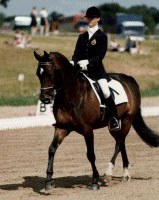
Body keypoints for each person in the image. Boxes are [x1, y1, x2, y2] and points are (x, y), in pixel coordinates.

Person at [70, 6, 120, 131]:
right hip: (82, 71)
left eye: (92, 18)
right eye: (88, 18)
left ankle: (114, 118)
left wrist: (87, 61)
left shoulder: (102, 36)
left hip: (97, 72)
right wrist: (73, 61)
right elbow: (76, 54)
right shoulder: (82, 36)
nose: (89, 20)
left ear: (98, 19)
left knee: (105, 90)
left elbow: (100, 56)